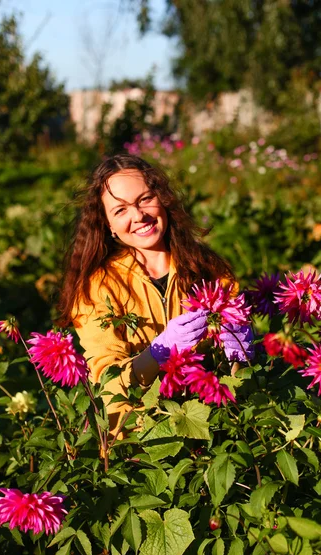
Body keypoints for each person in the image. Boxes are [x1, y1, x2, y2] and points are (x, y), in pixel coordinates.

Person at [57, 154, 238, 436]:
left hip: (215, 426)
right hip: (141, 442)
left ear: (163, 200)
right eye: (120, 210)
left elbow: (237, 345)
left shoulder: (208, 268)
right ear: (108, 226)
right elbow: (107, 382)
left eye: (145, 199)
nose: (138, 216)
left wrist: (241, 347)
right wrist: (157, 353)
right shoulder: (98, 287)